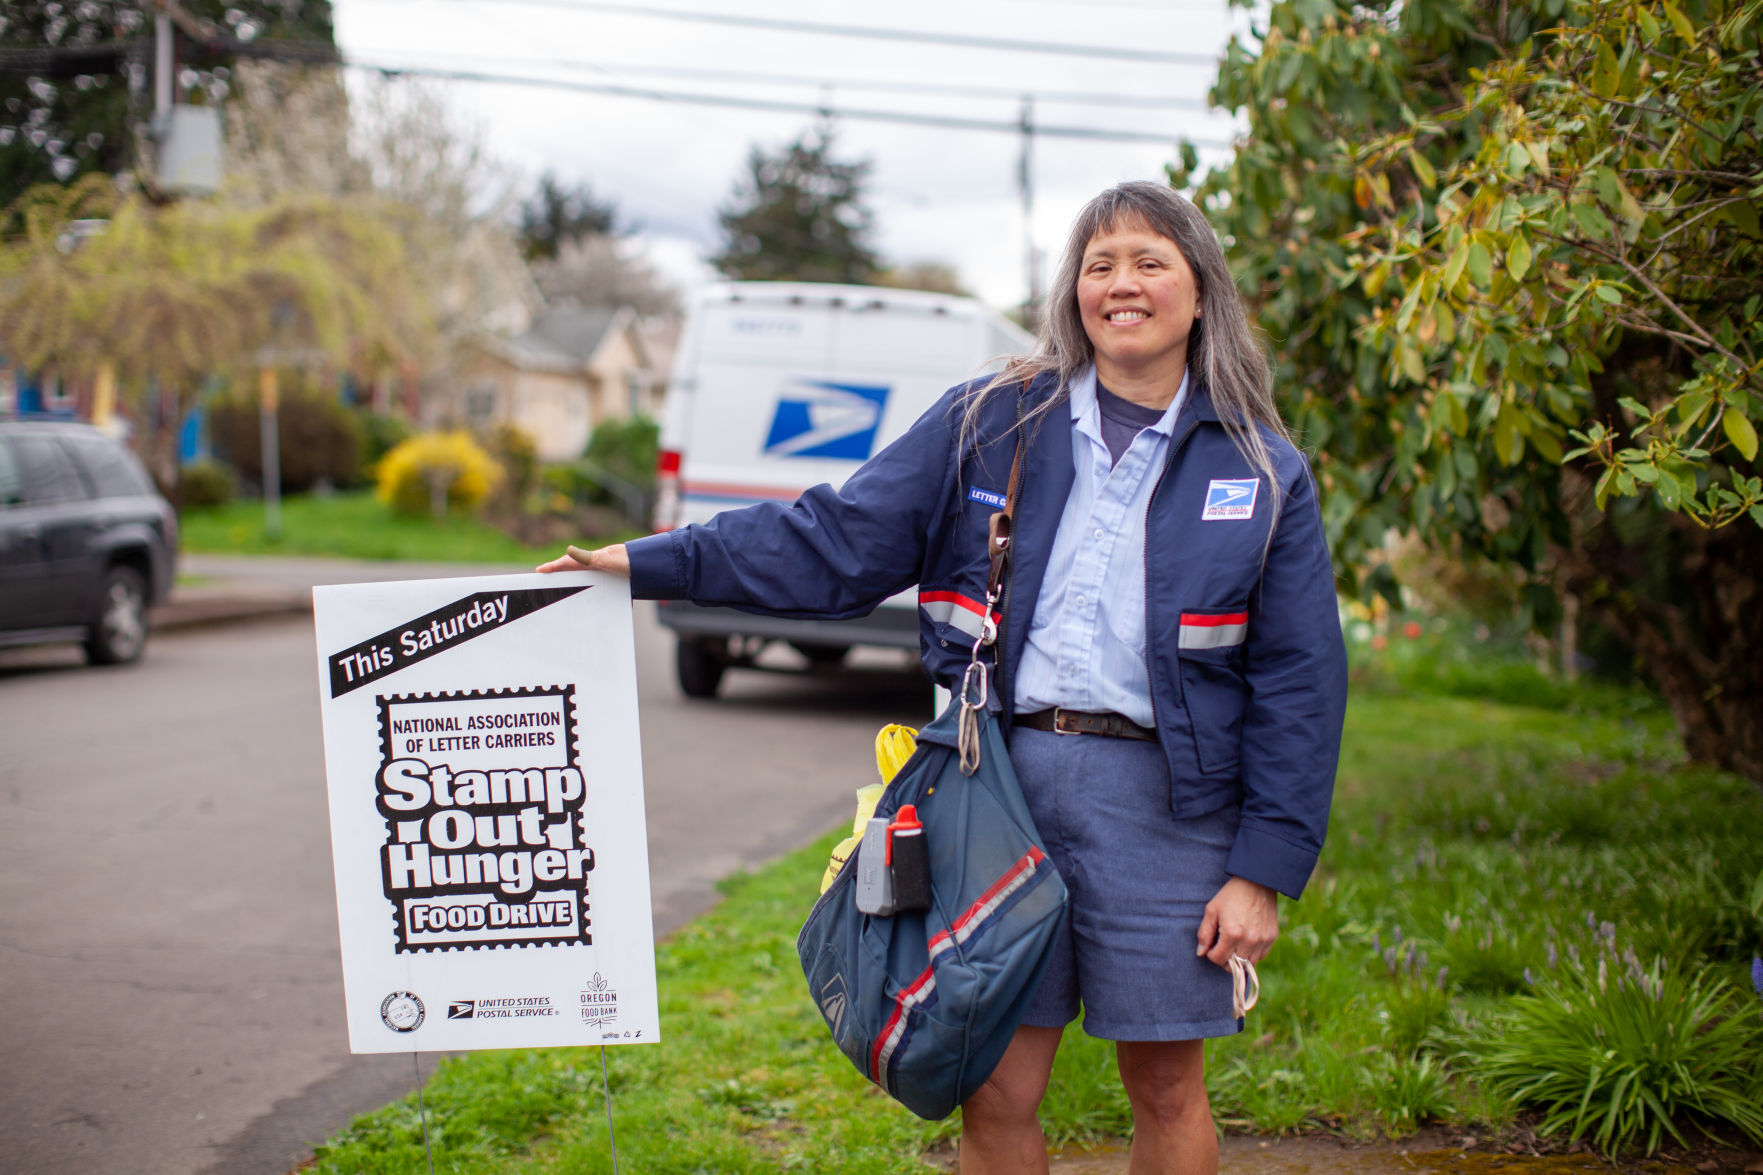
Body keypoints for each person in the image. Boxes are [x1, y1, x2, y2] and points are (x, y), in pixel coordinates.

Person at [540, 180, 1347, 1175]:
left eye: (1148, 261)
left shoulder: (1260, 469)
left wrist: (1260, 869)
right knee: (993, 1086)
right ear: (1072, 292)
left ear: (1198, 291)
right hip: (998, 790)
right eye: (1098, 264)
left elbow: (1299, 683)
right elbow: (833, 539)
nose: (1120, 283)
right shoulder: (993, 417)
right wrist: (651, 563)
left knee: (1166, 1086)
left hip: (1173, 809)